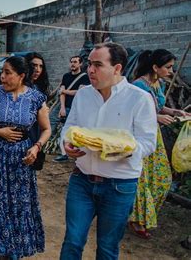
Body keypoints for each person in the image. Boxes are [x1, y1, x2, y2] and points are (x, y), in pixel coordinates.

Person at [59, 42, 157, 260]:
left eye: (97, 65)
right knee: (72, 241)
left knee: (107, 247)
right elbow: (69, 128)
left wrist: (122, 149)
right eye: (89, 64)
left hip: (119, 186)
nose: (90, 70)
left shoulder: (139, 98)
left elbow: (149, 143)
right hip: (81, 181)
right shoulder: (84, 95)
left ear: (117, 68)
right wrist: (66, 145)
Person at [0, 56, 51, 259]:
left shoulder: (36, 98)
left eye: (8, 73)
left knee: (19, 203)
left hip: (22, 157)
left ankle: (14, 249)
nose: (3, 77)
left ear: (21, 76)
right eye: (3, 72)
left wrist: (36, 147)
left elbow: (46, 129)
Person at [129, 49, 190, 238]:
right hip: (139, 135)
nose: (171, 71)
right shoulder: (137, 86)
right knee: (142, 180)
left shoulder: (157, 83)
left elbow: (158, 106)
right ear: (155, 67)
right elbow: (132, 113)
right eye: (168, 67)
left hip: (154, 137)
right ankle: (137, 221)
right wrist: (156, 117)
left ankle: (144, 217)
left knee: (162, 178)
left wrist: (174, 112)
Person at [53, 55, 90, 163]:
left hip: (79, 109)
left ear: (80, 64)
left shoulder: (85, 77)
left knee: (80, 131)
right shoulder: (66, 76)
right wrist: (62, 108)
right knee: (64, 130)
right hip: (67, 107)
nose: (73, 64)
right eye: (71, 62)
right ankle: (64, 153)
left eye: (75, 62)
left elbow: (80, 92)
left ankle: (81, 153)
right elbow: (61, 94)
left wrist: (64, 91)